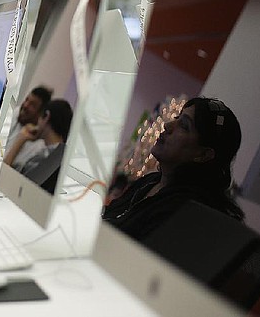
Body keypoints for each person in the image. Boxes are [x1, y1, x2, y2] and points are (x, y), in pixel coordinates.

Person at [102, 97, 245, 241]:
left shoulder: (185, 212)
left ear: (203, 155)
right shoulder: (149, 181)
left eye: (183, 125)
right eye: (177, 118)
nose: (168, 125)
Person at [4, 99, 73, 192]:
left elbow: (5, 179)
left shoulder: (46, 156)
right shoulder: (57, 153)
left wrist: (20, 140)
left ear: (47, 116)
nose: (37, 123)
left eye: (40, 118)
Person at [4, 85, 52, 167]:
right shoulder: (16, 114)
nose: (25, 105)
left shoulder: (37, 147)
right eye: (26, 100)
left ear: (41, 113)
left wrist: (21, 139)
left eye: (32, 105)